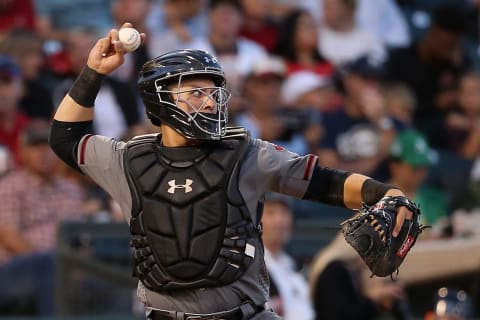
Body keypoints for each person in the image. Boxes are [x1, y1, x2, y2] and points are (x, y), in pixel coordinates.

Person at [49, 22, 416, 320]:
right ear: (160, 99)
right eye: (195, 93)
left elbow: (323, 181)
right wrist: (93, 72)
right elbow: (66, 138)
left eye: (213, 93)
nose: (209, 103)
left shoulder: (246, 153)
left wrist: (384, 192)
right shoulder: (127, 159)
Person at [261, 193, 314, 319]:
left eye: (284, 212)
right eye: (271, 212)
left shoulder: (295, 264)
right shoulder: (248, 266)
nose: (280, 220)